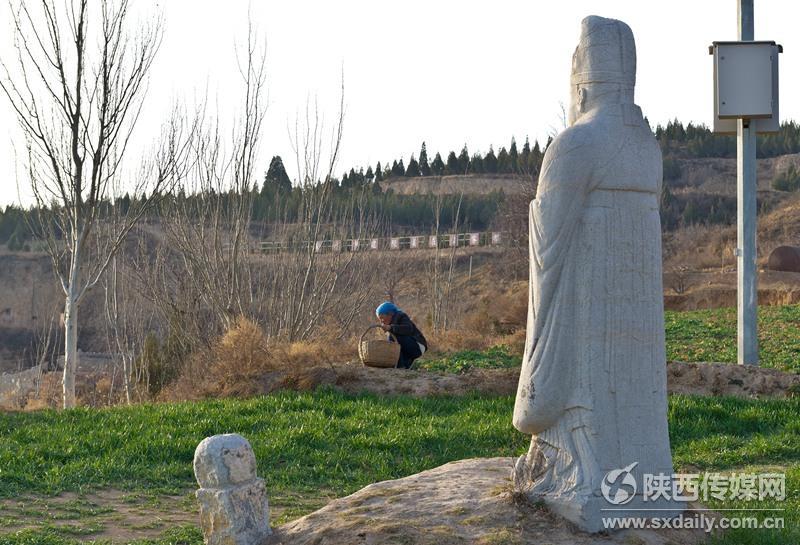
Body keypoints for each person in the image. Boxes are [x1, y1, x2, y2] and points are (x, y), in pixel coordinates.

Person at [375, 301, 427, 369]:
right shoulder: (392, 321)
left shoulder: (401, 316)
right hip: (408, 347)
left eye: (382, 318)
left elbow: (408, 329)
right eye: (380, 319)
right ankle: (405, 365)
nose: (382, 321)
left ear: (390, 314)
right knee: (391, 340)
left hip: (418, 346)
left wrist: (391, 327)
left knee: (392, 338)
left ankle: (400, 366)